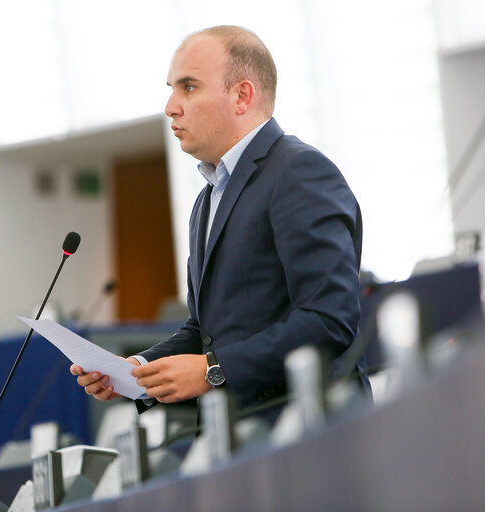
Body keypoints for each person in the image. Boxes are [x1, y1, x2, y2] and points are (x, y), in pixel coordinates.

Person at [70, 25, 364, 417]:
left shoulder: (299, 172)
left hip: (312, 430)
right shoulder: (207, 200)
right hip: (241, 438)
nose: (171, 106)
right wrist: (135, 371)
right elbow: (205, 331)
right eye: (171, 88)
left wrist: (213, 371)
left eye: (188, 87)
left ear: (242, 96)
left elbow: (329, 321)